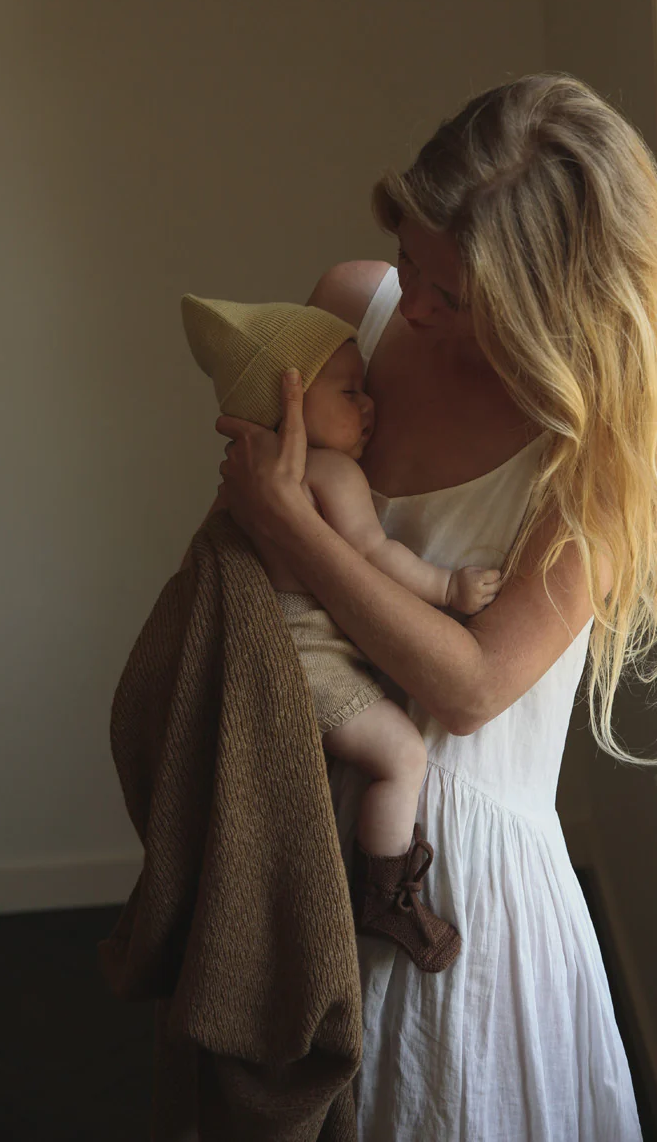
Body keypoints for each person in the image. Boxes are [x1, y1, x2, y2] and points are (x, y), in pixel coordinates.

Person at [211, 73, 657, 1140]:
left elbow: (468, 689)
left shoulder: (599, 450)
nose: (412, 304)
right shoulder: (352, 308)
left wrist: (294, 528)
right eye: (410, 257)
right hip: (294, 796)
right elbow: (254, 519)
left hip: (455, 885)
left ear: (550, 301)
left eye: (454, 297)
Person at [182, 295, 502, 972]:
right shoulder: (330, 472)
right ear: (288, 402)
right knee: (402, 755)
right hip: (308, 660)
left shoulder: (245, 479)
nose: (369, 406)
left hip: (259, 658)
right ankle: (385, 894)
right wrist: (448, 588)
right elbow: (373, 554)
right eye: (349, 391)